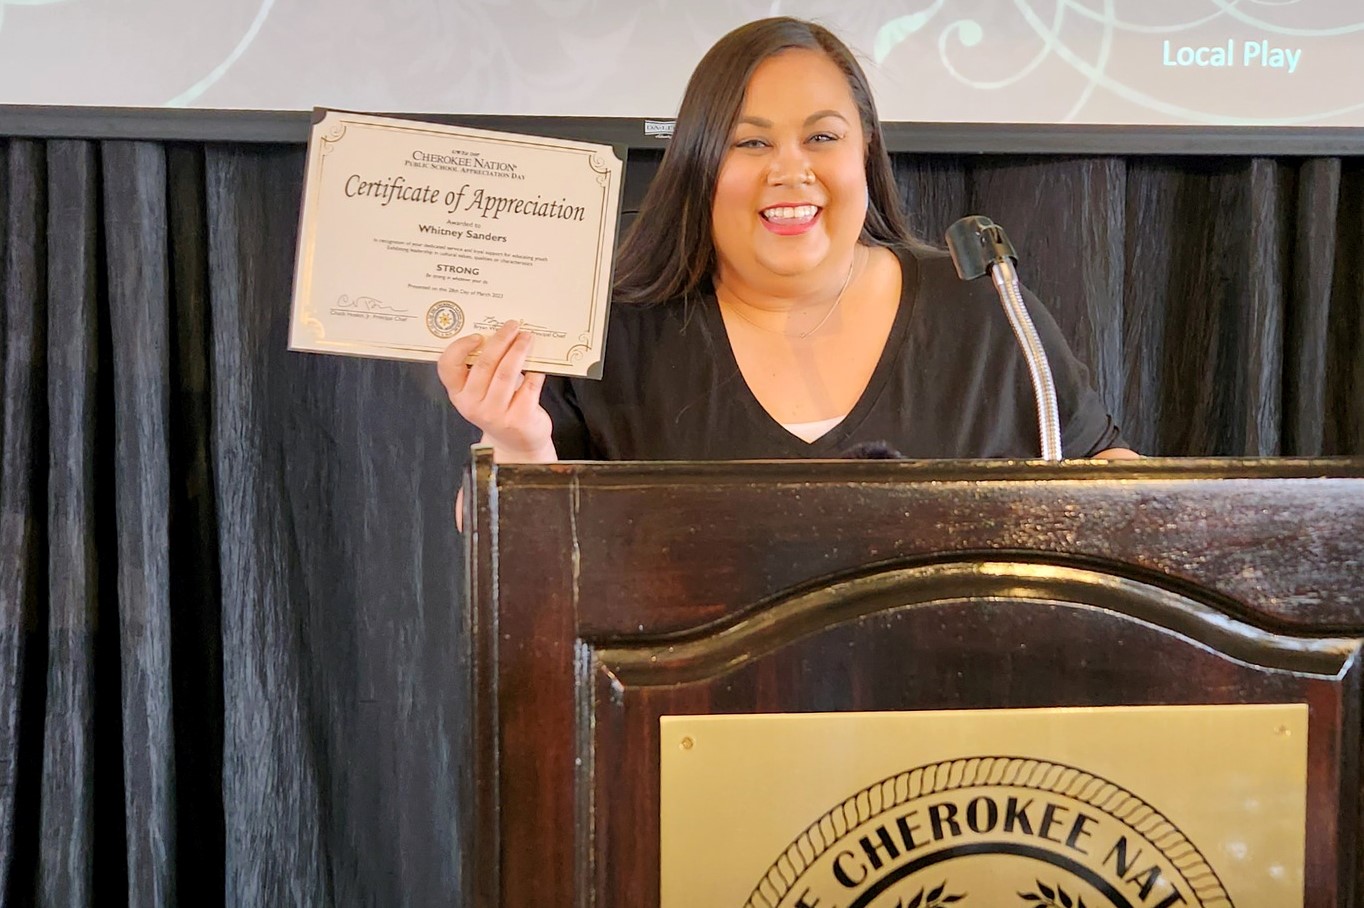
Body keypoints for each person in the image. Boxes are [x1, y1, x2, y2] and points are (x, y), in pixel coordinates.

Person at [437, 17, 1138, 465]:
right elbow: (523, 568)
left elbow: (1103, 470)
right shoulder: (612, 333)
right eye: (751, 142)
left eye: (822, 137)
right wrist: (516, 441)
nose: (790, 170)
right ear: (701, 162)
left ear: (865, 149)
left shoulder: (982, 307)